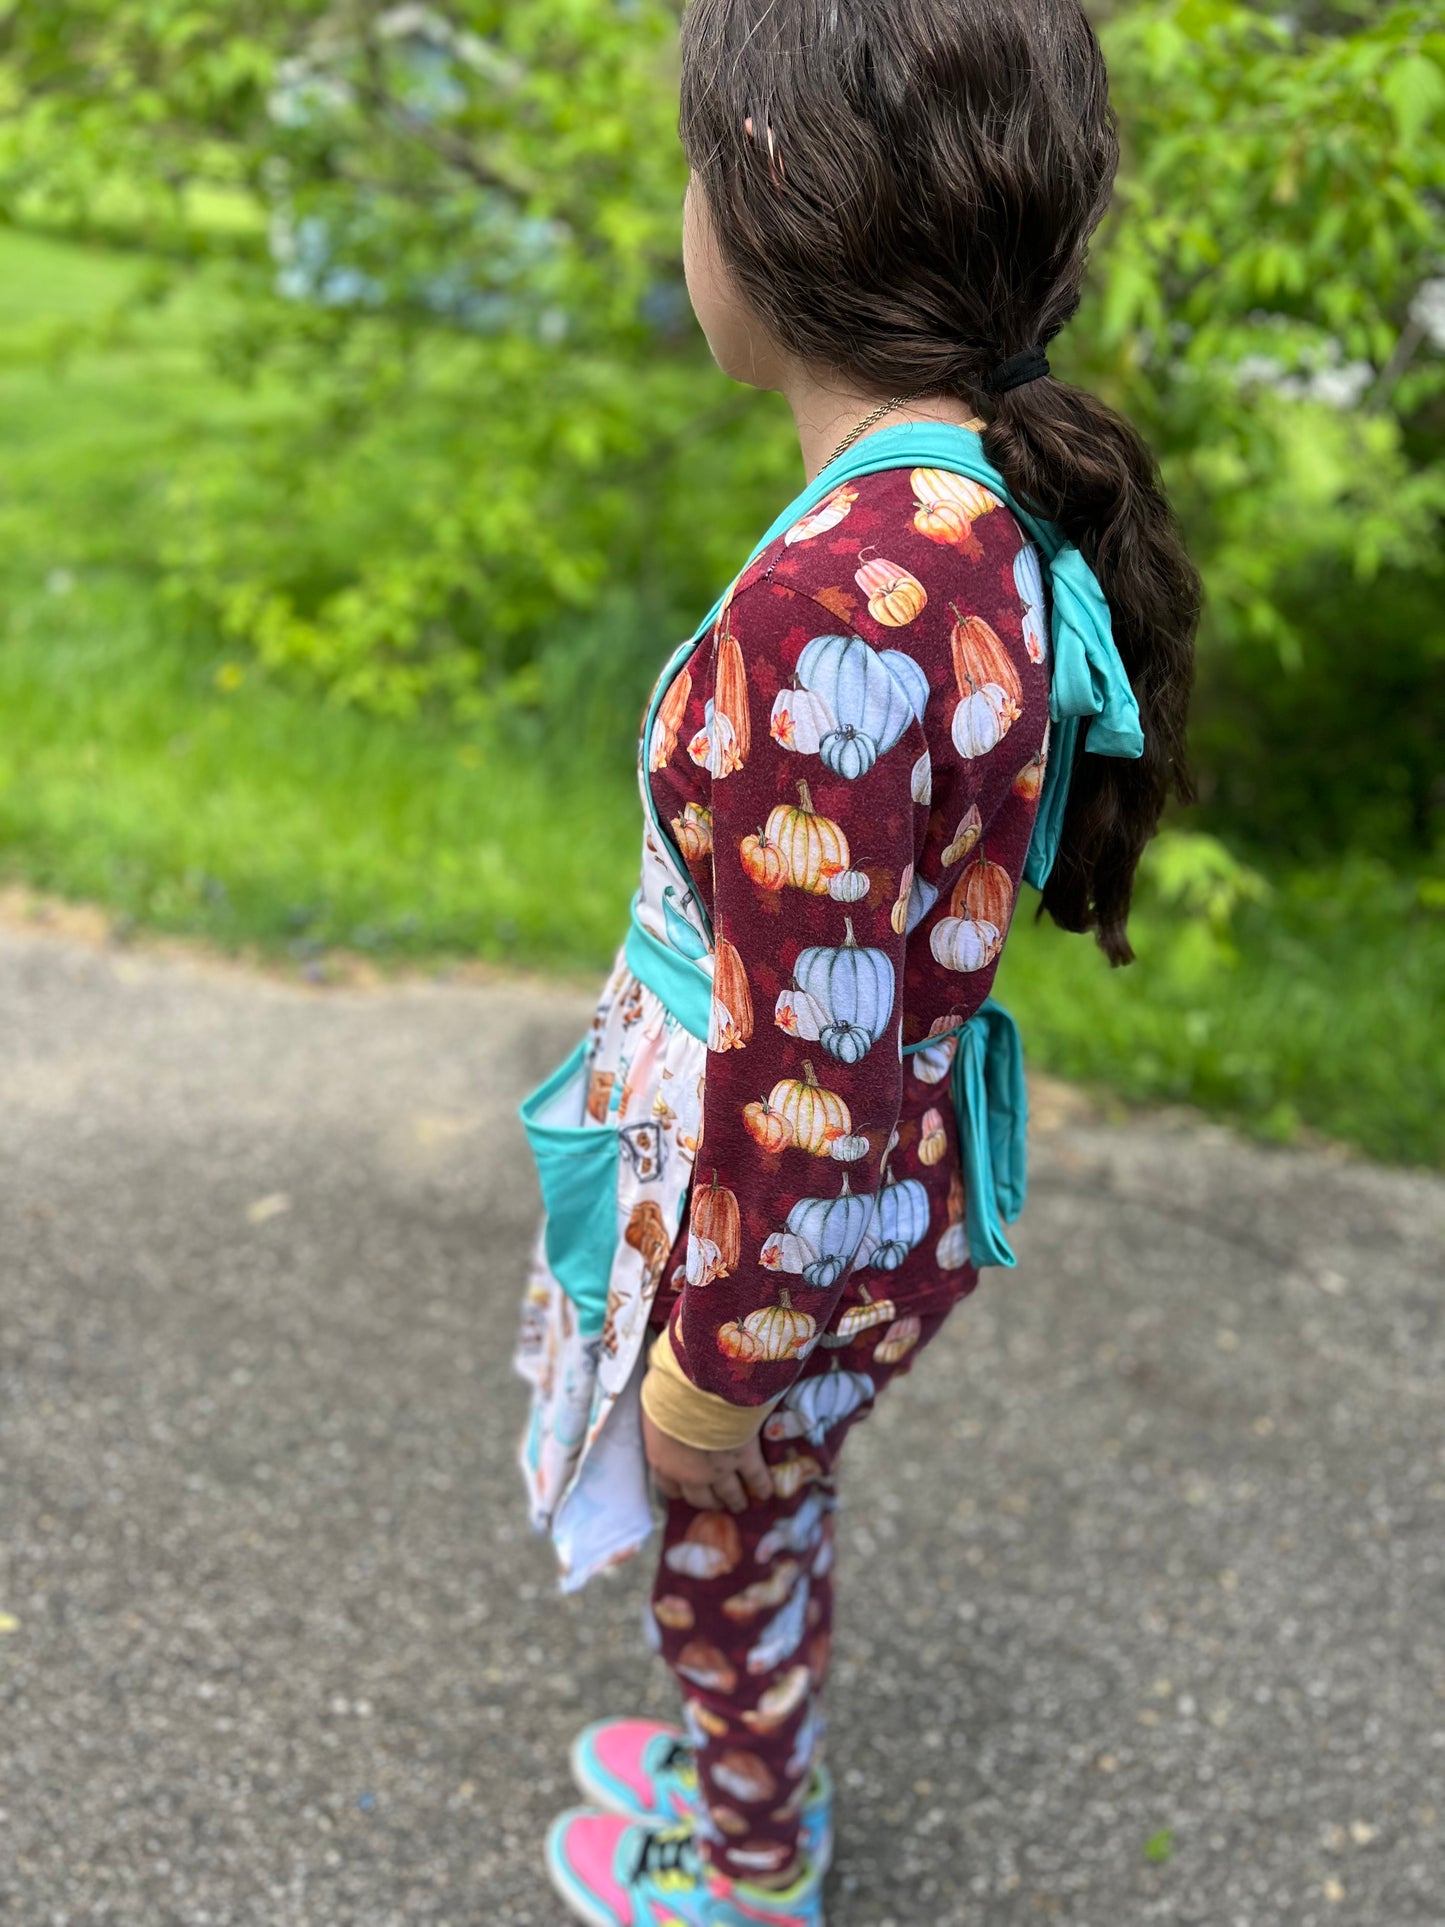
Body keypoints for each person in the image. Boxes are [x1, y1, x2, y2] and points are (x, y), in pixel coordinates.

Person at [516, 2, 1200, 1920]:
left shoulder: (835, 605)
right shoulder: (961, 502)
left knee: (711, 1540)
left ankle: (748, 1869)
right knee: (767, 1533)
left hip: (779, 1236)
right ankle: (763, 1766)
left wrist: (711, 1383)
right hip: (882, 1188)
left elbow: (798, 1074)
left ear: (768, 199)